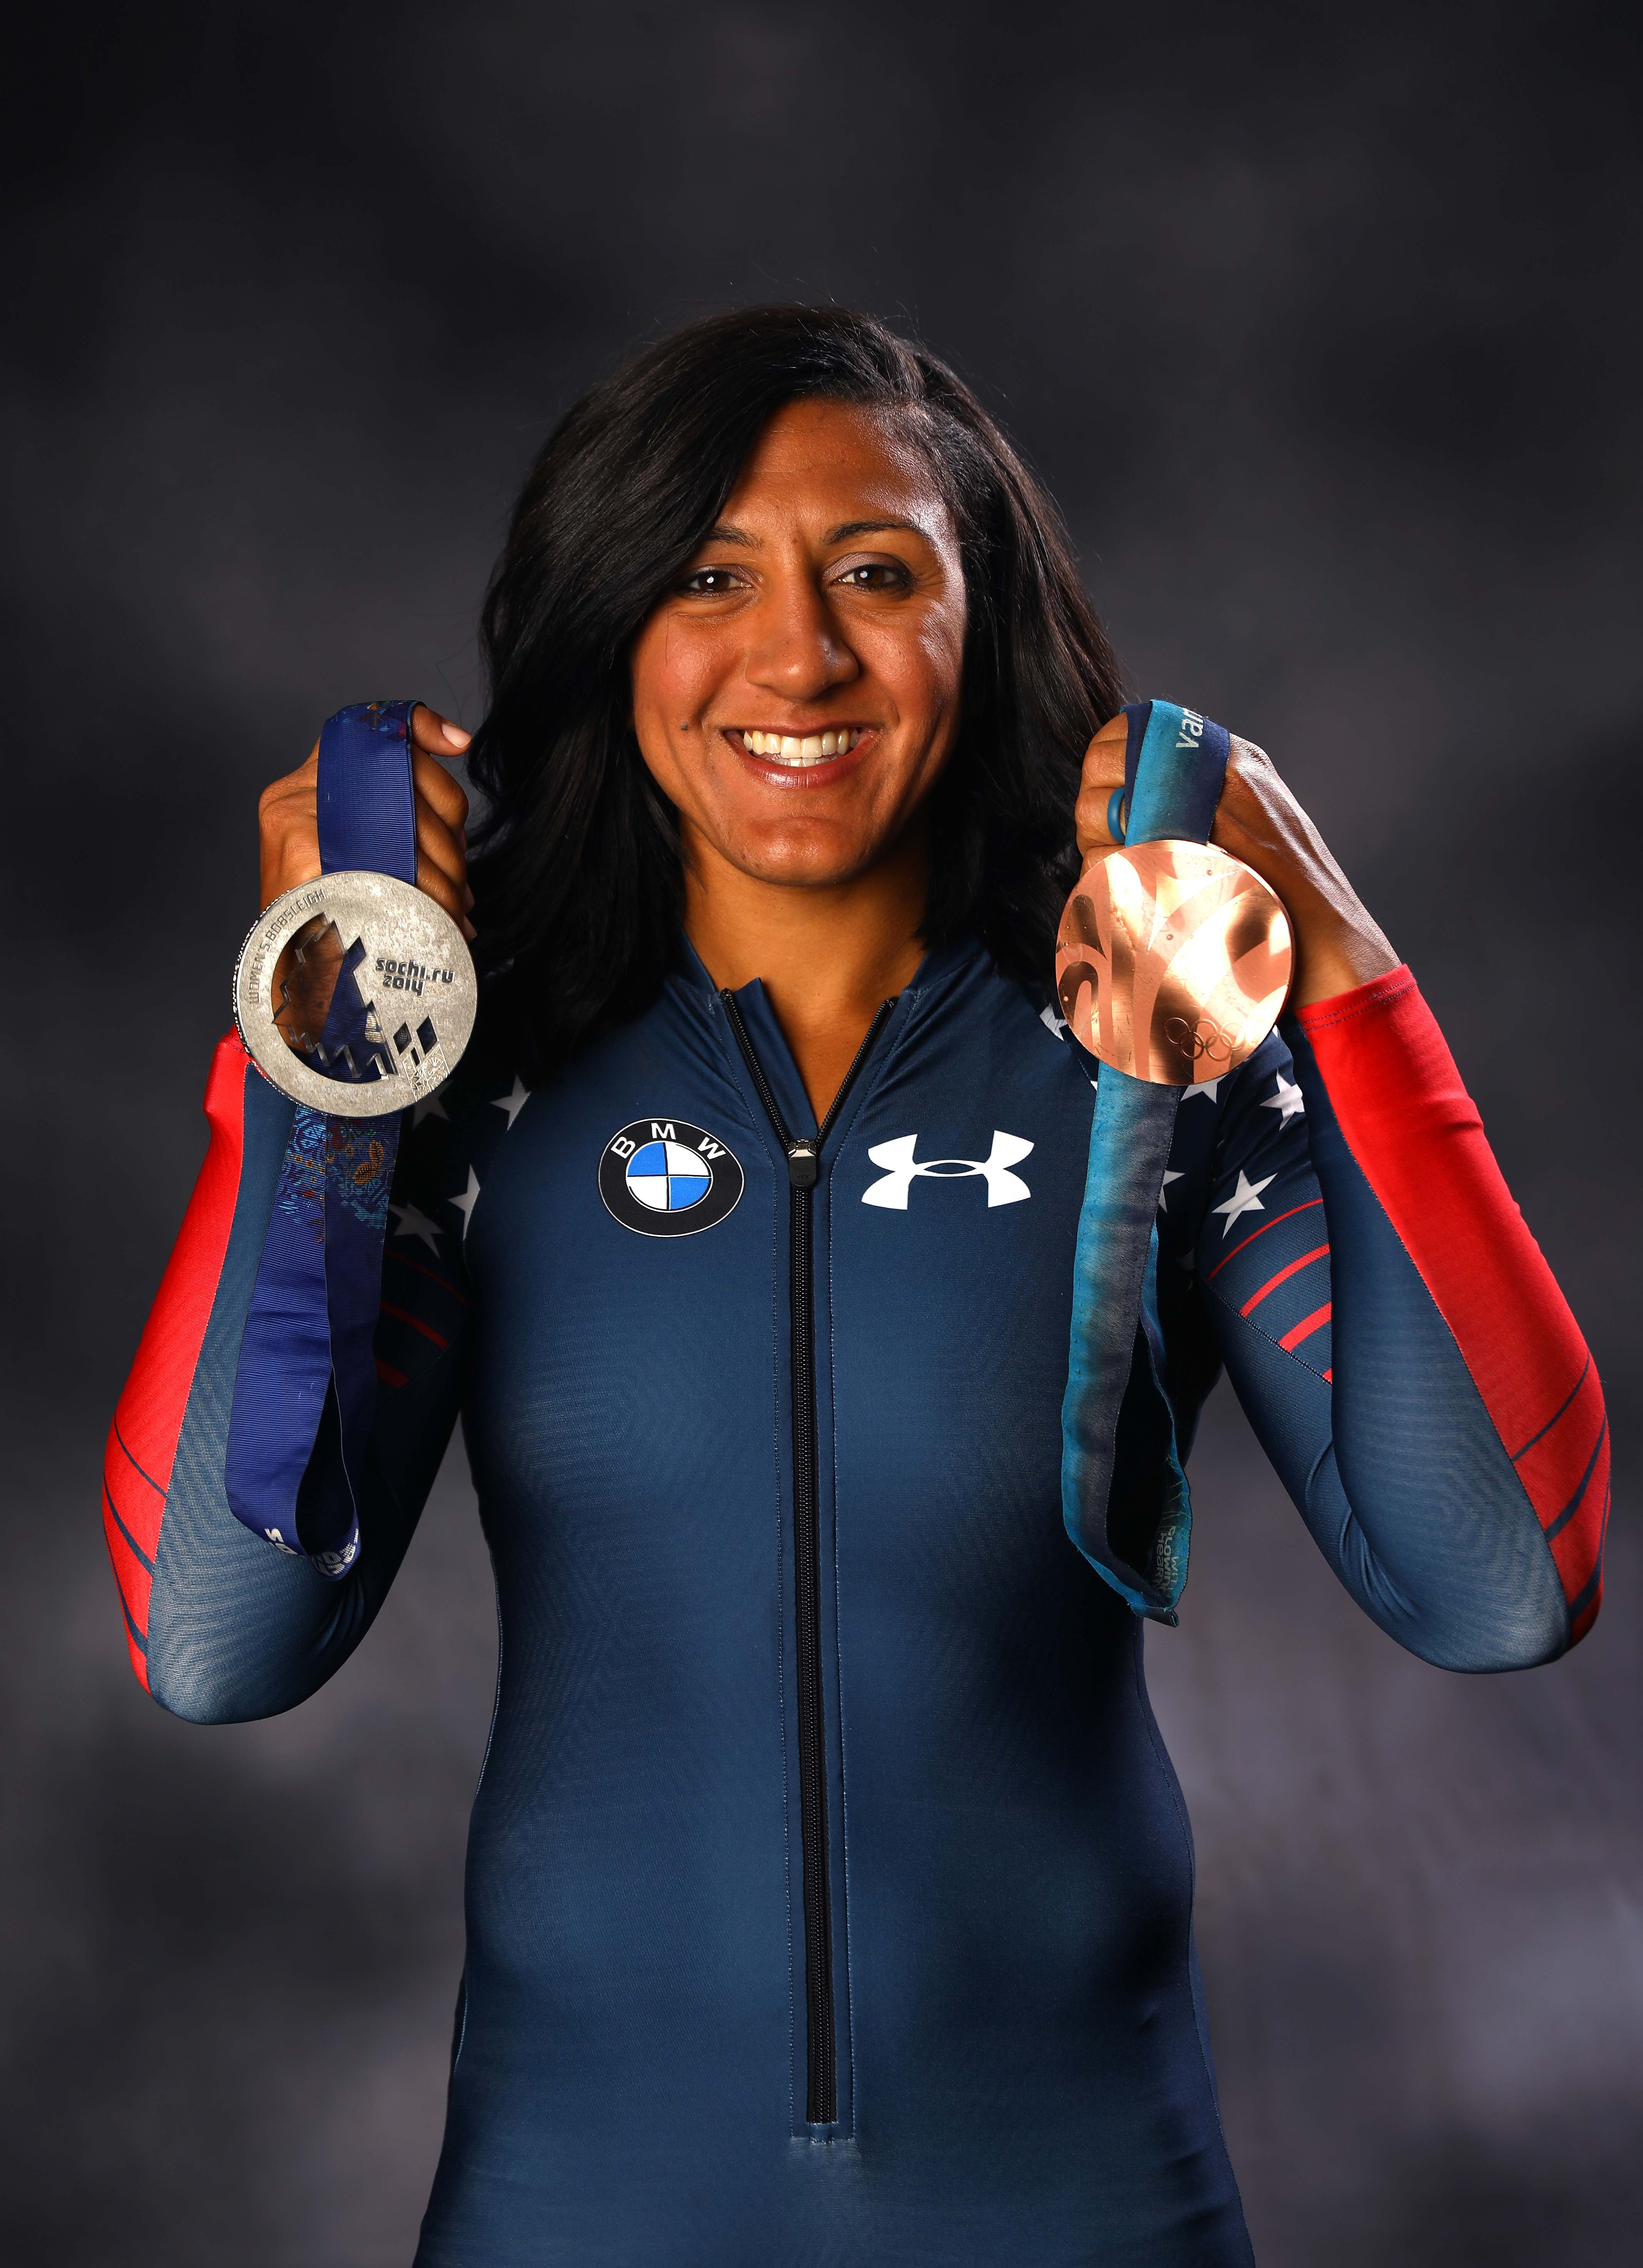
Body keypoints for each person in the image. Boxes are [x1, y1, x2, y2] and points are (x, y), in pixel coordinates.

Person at [102, 306, 1608, 2266]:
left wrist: (1335, 967)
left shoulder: (1141, 1063)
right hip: (582, 2215)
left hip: (1083, 2210)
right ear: (609, 632)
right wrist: (321, 1033)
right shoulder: (476, 1085)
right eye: (706, 575)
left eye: (876, 574)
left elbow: (1501, 1583)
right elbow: (219, 1639)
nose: (797, 653)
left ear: (980, 629)